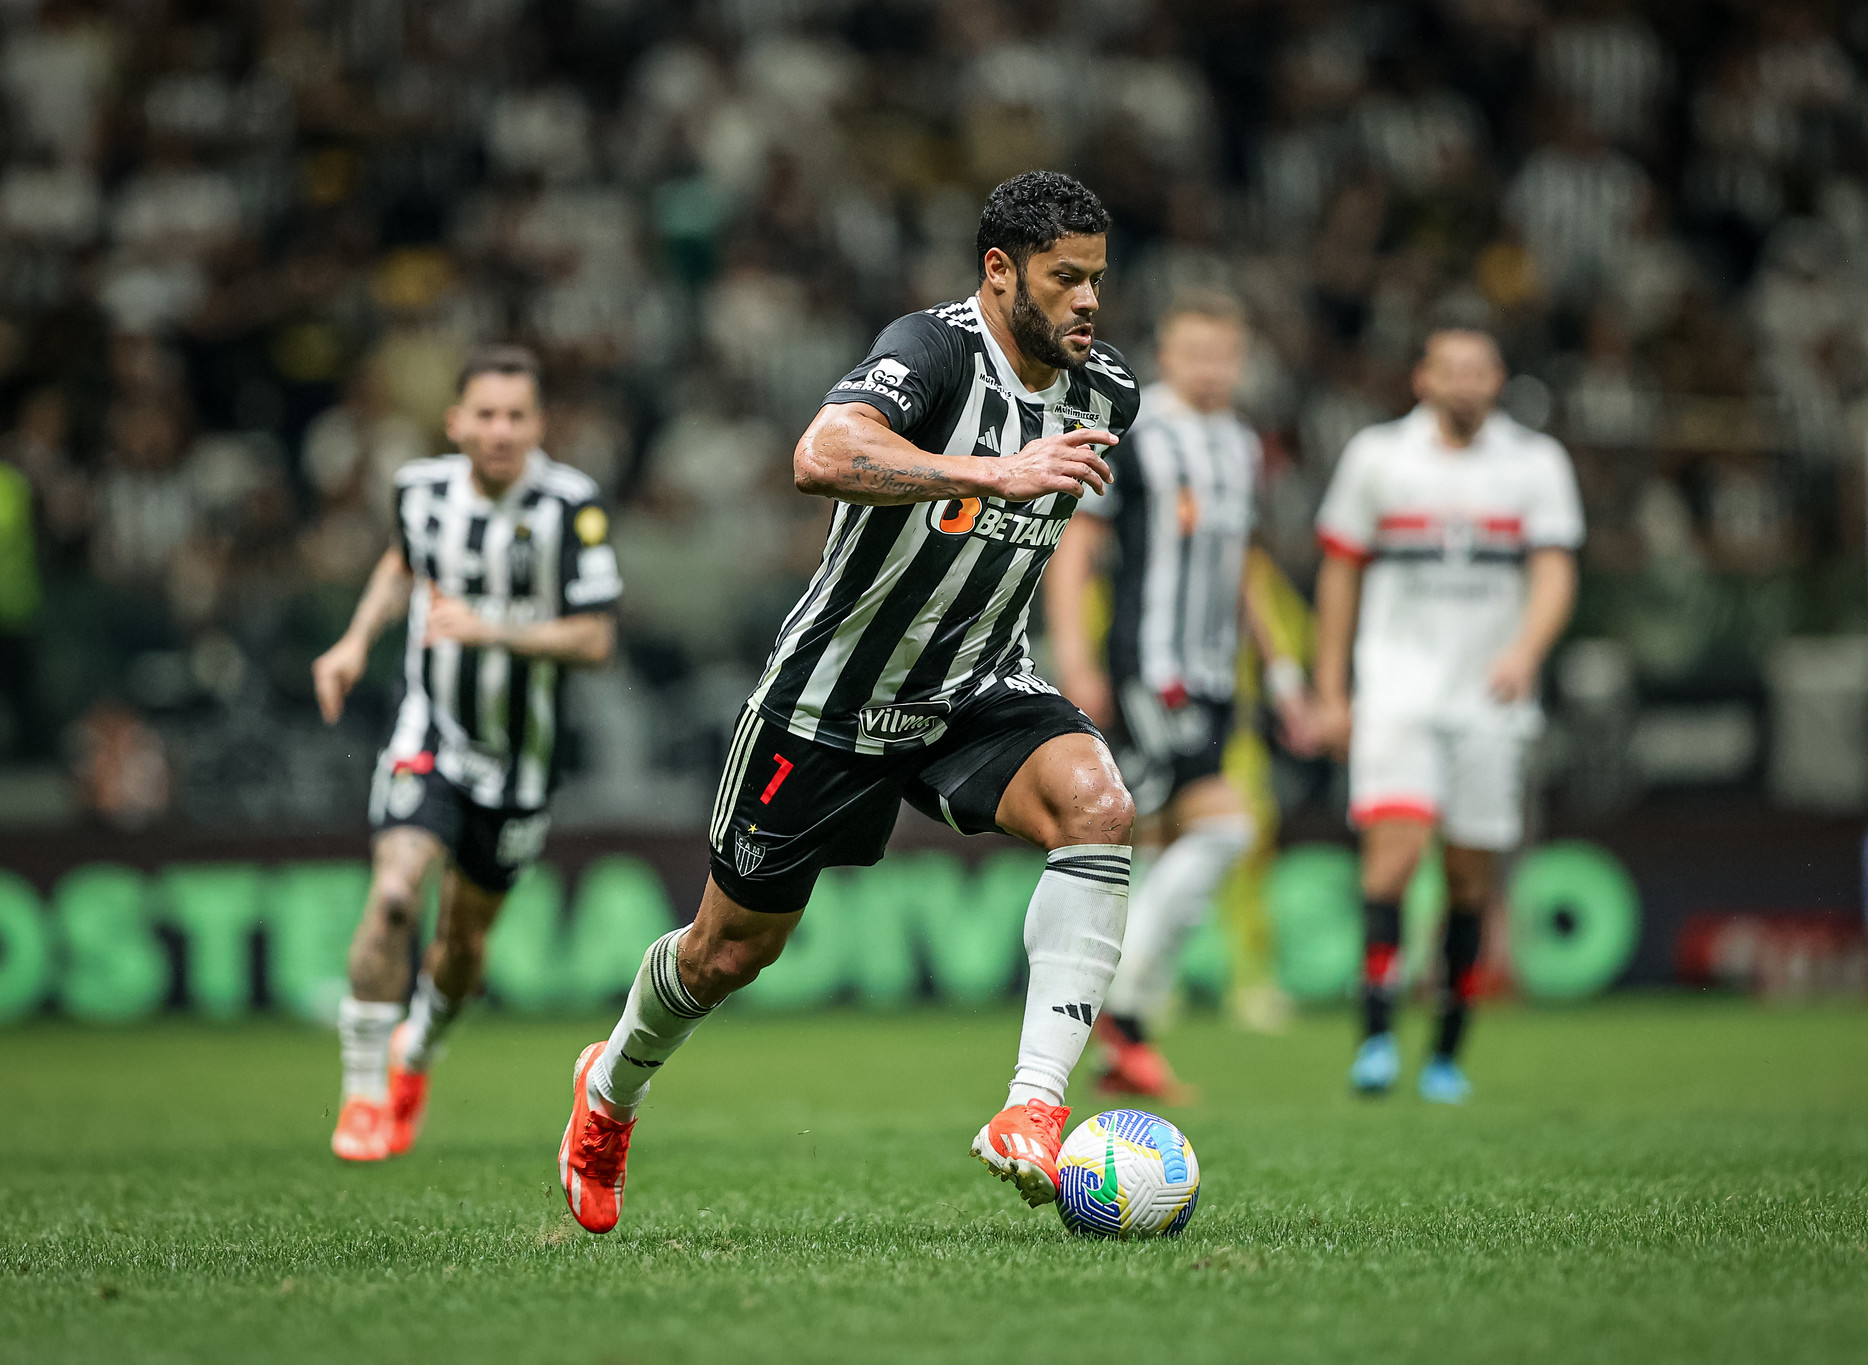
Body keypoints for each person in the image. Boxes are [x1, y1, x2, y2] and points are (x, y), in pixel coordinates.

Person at [556, 171, 1142, 1235]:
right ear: (1000, 272)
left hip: (973, 683)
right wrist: (992, 474)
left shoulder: (1107, 395)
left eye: (1097, 279)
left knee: (1099, 809)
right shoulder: (930, 349)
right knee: (726, 954)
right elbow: (821, 454)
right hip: (830, 700)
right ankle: (610, 1091)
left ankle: (1033, 1108)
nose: (1089, 302)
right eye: (1065, 280)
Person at [311, 347, 620, 1160]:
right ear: (455, 422)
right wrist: (352, 642)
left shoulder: (570, 505)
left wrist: (495, 631)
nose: (500, 430)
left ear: (538, 425)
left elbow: (594, 637)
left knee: (461, 943)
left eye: (516, 415)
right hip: (429, 736)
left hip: (520, 763)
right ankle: (364, 1092)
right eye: (484, 414)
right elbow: (401, 564)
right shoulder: (419, 490)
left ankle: (417, 1055)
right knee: (393, 898)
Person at [1042, 291, 1313, 1100]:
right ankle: (1123, 1016)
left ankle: (1118, 1033)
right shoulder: (1138, 430)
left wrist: (1285, 672)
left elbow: (1241, 569)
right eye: (1196, 352)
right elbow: (1077, 543)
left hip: (1216, 677)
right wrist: (1075, 655)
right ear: (1166, 354)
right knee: (1226, 826)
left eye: (1224, 354)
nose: (1211, 368)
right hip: (1151, 669)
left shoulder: (1237, 444)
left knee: (1151, 847)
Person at [1312, 329, 1580, 1103]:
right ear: (1422, 377)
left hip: (1488, 696)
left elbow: (1555, 571)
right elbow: (1338, 570)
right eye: (1450, 370)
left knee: (1468, 875)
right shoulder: (1376, 457)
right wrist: (1333, 687)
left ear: (1496, 378)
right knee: (1393, 854)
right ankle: (1373, 1036)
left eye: (1479, 370)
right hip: (1396, 687)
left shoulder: (1534, 463)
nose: (1465, 383)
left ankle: (1447, 1051)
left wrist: (1525, 651)